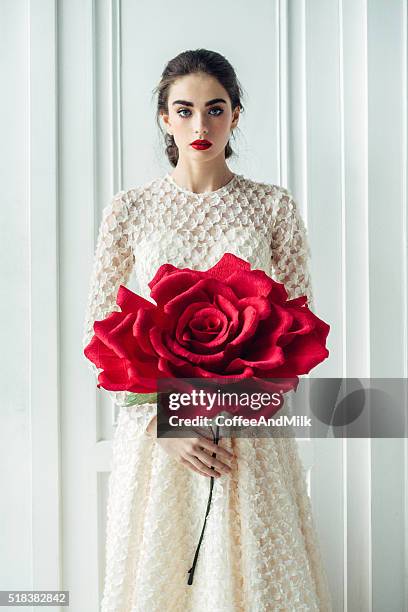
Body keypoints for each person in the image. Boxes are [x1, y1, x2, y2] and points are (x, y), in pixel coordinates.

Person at [82, 48, 333, 612]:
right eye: (185, 109)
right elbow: (100, 331)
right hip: (161, 436)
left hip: (247, 427)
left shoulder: (273, 207)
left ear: (236, 116)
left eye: (216, 109)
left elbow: (298, 323)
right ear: (164, 119)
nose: (201, 125)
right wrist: (166, 425)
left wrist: (235, 405)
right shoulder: (130, 209)